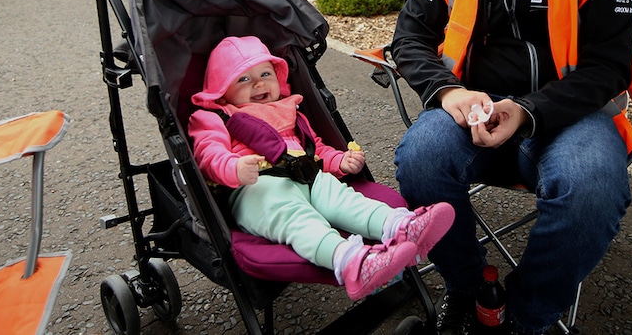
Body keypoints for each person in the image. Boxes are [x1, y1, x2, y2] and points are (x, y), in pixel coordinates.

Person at [390, 0, 632, 335]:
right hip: (475, 105)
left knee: (591, 186)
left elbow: (610, 66)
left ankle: (523, 317)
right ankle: (472, 288)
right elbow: (409, 37)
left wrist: (528, 111)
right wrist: (447, 90)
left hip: (570, 114)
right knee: (419, 159)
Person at [188, 35, 454, 301]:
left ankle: (399, 226)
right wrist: (232, 167)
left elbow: (314, 148)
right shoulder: (216, 117)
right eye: (243, 78)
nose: (258, 83)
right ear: (221, 89)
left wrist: (339, 161)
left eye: (265, 73)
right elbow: (207, 155)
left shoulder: (290, 109)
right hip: (256, 189)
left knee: (342, 198)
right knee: (298, 219)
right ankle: (351, 263)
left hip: (307, 175)